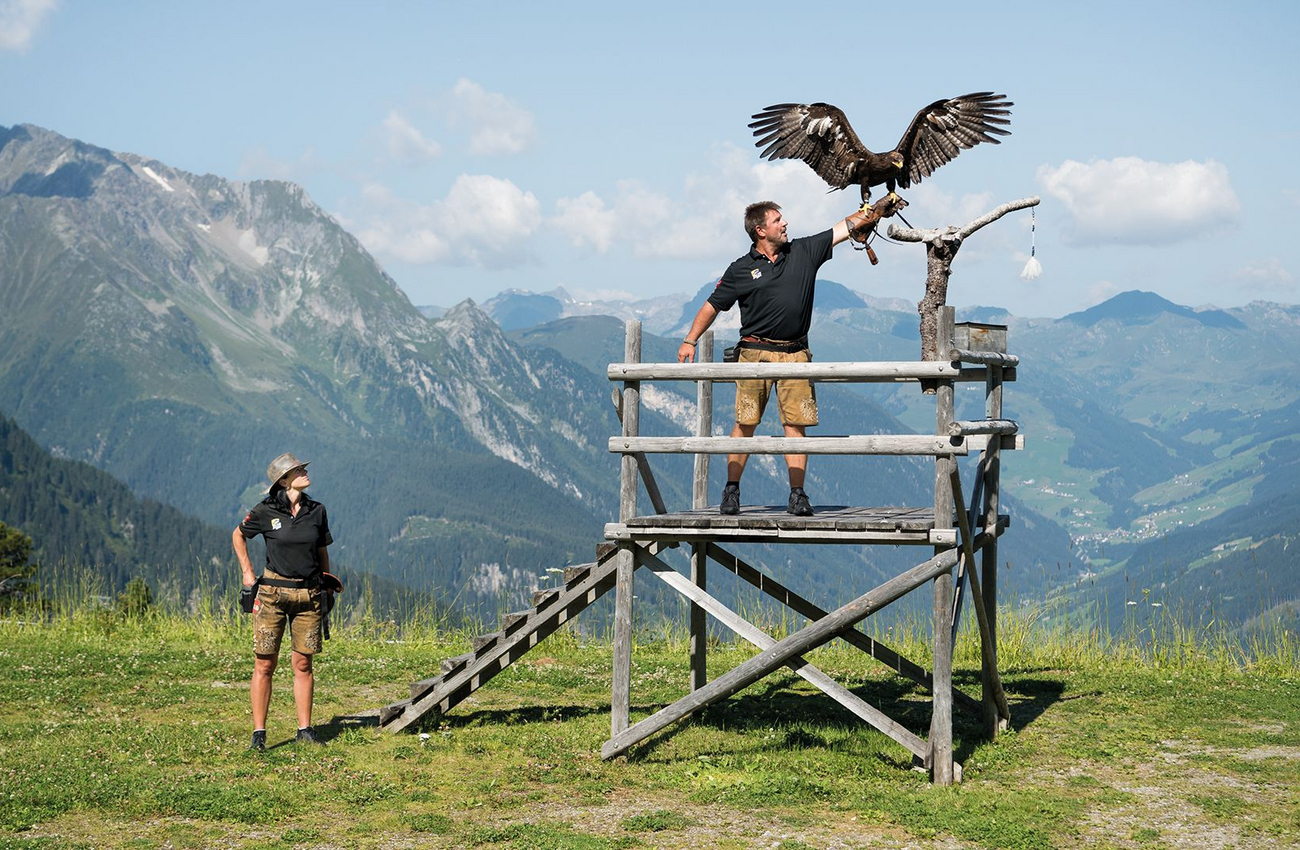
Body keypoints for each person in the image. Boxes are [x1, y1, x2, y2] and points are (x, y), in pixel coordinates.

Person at [677, 196, 903, 516]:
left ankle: (797, 495)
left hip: (796, 353)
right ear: (760, 230)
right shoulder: (741, 269)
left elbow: (845, 227)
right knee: (746, 422)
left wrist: (874, 209)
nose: (785, 224)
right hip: (754, 354)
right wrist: (690, 340)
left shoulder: (804, 251)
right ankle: (732, 491)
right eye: (778, 220)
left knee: (796, 425)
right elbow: (712, 304)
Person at [232, 452, 335, 750]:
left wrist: (327, 582)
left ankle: (305, 730)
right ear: (284, 480)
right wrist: (247, 573)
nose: (304, 472)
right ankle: (259, 734)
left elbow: (322, 551)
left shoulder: (317, 510)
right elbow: (238, 535)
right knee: (265, 663)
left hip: (309, 595)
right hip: (272, 595)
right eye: (298, 470)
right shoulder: (264, 511)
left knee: (303, 663)